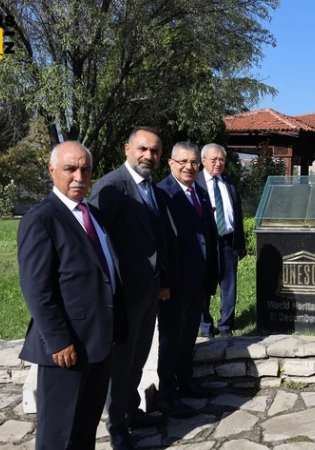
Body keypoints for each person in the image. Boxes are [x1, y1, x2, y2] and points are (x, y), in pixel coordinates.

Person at [18, 142, 121, 450]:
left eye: (85, 169)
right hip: (66, 347)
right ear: (52, 170)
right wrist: (59, 340)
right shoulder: (41, 219)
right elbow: (37, 288)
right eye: (70, 168)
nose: (79, 176)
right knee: (58, 435)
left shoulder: (93, 215)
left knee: (84, 430)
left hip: (99, 342)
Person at [90, 127, 175, 450]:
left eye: (154, 151)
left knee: (138, 358)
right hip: (122, 296)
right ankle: (117, 427)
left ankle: (130, 411)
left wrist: (162, 281)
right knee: (121, 363)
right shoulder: (112, 188)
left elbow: (158, 237)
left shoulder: (149, 187)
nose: (148, 156)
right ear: (127, 149)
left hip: (148, 292)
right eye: (142, 149)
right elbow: (98, 246)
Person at [156, 142, 218, 417]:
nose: (189, 167)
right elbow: (160, 241)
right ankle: (168, 395)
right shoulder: (162, 194)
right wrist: (164, 282)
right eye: (183, 162)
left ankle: (186, 382)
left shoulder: (200, 193)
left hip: (197, 280)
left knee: (189, 335)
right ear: (170, 163)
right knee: (171, 340)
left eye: (194, 162)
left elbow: (208, 235)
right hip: (174, 283)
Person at [197, 143, 246, 338]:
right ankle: (206, 327)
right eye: (214, 159)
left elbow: (237, 214)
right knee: (203, 285)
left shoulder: (229, 182)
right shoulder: (196, 183)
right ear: (203, 161)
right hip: (205, 244)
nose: (218, 163)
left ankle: (226, 326)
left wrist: (240, 243)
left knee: (229, 285)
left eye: (221, 160)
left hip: (228, 241)